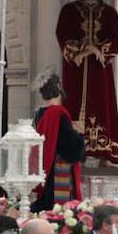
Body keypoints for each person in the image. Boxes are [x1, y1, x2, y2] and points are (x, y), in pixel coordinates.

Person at [56, 0, 118, 165]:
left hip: (99, 70)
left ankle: (104, 153)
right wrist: (82, 51)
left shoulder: (109, 12)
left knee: (102, 104)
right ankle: (75, 153)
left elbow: (117, 39)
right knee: (74, 104)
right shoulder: (69, 10)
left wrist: (99, 50)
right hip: (75, 70)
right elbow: (62, 34)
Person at [32, 73, 85, 211]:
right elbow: (71, 149)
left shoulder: (39, 114)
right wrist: (79, 136)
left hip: (44, 171)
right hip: (58, 173)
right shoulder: (58, 113)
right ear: (58, 89)